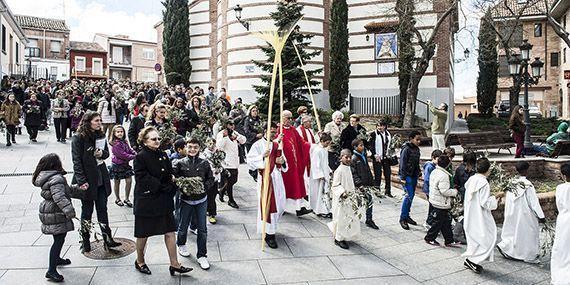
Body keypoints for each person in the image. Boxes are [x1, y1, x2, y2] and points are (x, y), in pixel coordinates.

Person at [133, 126, 193, 276]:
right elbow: (141, 177)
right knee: (143, 234)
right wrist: (161, 186)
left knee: (170, 232)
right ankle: (140, 261)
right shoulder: (140, 157)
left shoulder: (163, 155)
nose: (157, 141)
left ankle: (175, 264)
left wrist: (171, 185)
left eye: (158, 138)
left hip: (163, 200)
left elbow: (169, 172)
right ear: (145, 141)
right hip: (147, 201)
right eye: (153, 139)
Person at [71, 111, 122, 253]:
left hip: (101, 177)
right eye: (96, 120)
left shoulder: (101, 135)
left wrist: (102, 154)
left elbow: (106, 153)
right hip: (87, 179)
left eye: (100, 120)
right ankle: (85, 240)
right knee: (86, 212)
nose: (100, 123)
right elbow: (76, 161)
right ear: (88, 122)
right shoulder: (78, 138)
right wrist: (81, 181)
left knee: (102, 210)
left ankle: (108, 238)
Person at [33, 153, 83, 283]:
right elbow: (59, 197)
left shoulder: (48, 176)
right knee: (58, 240)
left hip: (51, 210)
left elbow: (62, 191)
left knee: (59, 238)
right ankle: (51, 270)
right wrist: (70, 211)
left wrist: (78, 188)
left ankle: (57, 259)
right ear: (55, 164)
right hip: (56, 212)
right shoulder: (57, 178)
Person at [172, 138, 214, 270]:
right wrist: (181, 186)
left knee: (202, 229)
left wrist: (203, 187)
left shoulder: (204, 163)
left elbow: (210, 178)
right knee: (182, 225)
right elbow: (173, 178)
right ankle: (181, 244)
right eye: (190, 147)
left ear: (199, 148)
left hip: (201, 200)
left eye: (195, 147)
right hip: (186, 200)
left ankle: (202, 255)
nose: (192, 149)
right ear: (185, 147)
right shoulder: (180, 163)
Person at [246, 124, 287, 249]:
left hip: (277, 178)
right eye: (271, 131)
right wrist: (262, 156)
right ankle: (269, 234)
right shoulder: (258, 145)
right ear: (264, 131)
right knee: (268, 206)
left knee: (280, 205)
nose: (273, 134)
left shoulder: (277, 144)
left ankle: (272, 227)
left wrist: (282, 162)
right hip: (265, 179)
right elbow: (250, 161)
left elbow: (282, 160)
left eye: (275, 132)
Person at [496, 161, 545, 263]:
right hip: (526, 214)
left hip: (514, 212)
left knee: (514, 232)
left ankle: (509, 249)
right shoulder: (528, 185)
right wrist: (541, 216)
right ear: (526, 171)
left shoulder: (512, 183)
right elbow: (534, 202)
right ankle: (528, 254)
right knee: (528, 233)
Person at [462, 157, 498, 274]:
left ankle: (472, 260)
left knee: (475, 238)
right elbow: (485, 203)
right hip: (480, 216)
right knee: (487, 238)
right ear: (488, 170)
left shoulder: (472, 179)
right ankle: (472, 260)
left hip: (471, 214)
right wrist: (496, 198)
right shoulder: (484, 183)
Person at [278, 110, 312, 216]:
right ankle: (281, 207)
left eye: (291, 118)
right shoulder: (279, 131)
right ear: (282, 118)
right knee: (285, 186)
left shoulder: (293, 130)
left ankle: (299, 208)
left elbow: (301, 142)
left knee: (297, 185)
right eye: (288, 118)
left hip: (295, 164)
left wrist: (312, 145)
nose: (290, 120)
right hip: (286, 165)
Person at [424, 155, 461, 247]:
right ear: (447, 164)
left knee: (446, 222)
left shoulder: (435, 171)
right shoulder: (444, 175)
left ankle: (449, 240)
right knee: (438, 223)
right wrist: (455, 192)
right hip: (441, 202)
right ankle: (429, 238)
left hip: (436, 200)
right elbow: (444, 191)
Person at [328, 149, 361, 249]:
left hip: (350, 198)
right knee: (341, 218)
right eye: (346, 157)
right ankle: (338, 239)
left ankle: (346, 236)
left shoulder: (349, 168)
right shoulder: (339, 170)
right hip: (341, 199)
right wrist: (342, 192)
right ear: (341, 157)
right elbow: (335, 185)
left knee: (349, 217)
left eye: (350, 157)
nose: (348, 159)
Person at [216, 120, 246, 208]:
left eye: (233, 124)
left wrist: (237, 137)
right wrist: (224, 137)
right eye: (230, 124)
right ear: (225, 125)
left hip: (235, 161)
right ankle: (231, 200)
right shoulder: (221, 134)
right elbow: (219, 147)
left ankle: (222, 190)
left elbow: (244, 140)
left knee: (234, 180)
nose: (232, 126)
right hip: (226, 162)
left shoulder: (234, 133)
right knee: (229, 181)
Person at [351, 139, 379, 229]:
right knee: (358, 202)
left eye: (363, 145)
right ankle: (353, 219)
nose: (363, 147)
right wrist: (359, 184)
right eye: (360, 145)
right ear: (355, 147)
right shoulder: (354, 158)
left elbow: (367, 169)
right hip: (360, 185)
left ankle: (369, 219)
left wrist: (371, 181)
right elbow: (353, 173)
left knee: (369, 201)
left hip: (367, 183)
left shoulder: (363, 155)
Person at [551, 163, 570, 285]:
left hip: (564, 219)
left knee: (562, 247)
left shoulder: (560, 188)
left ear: (564, 176)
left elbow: (559, 205)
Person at [399, 130, 422, 230]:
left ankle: (407, 216)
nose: (419, 141)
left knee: (411, 197)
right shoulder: (406, 149)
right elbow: (402, 164)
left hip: (414, 175)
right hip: (407, 176)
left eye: (420, 140)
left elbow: (416, 163)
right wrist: (403, 177)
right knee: (408, 196)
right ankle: (402, 218)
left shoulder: (417, 149)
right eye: (417, 139)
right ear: (411, 139)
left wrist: (419, 172)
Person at [452, 151, 477, 244]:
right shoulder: (461, 169)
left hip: (471, 196)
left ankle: (465, 235)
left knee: (469, 216)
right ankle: (458, 234)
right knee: (464, 215)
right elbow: (455, 183)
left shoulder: (476, 170)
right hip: (464, 196)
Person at [109, 125, 136, 208]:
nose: (120, 133)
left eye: (121, 131)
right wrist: (135, 156)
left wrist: (135, 153)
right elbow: (123, 155)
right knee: (117, 182)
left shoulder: (124, 141)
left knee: (129, 181)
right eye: (118, 132)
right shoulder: (115, 144)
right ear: (114, 133)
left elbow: (129, 150)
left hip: (125, 165)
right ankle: (117, 198)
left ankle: (127, 198)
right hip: (117, 165)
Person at [309, 133, 332, 218]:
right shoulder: (317, 150)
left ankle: (325, 209)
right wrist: (320, 175)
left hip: (325, 172)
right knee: (319, 192)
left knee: (325, 192)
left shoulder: (324, 150)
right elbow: (315, 164)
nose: (328, 145)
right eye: (327, 143)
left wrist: (329, 170)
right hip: (319, 175)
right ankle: (318, 209)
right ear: (322, 141)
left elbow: (325, 163)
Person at [369, 120, 393, 197]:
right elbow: (370, 146)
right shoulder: (373, 134)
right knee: (378, 175)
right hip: (377, 158)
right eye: (378, 125)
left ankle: (388, 191)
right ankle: (377, 191)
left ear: (385, 126)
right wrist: (375, 154)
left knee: (388, 174)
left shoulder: (388, 134)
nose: (379, 127)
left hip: (386, 158)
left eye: (381, 125)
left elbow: (390, 145)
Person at [202, 139, 221, 224]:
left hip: (215, 179)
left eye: (213, 143)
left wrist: (219, 169)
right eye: (209, 143)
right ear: (206, 144)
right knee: (208, 197)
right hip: (207, 179)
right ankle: (210, 212)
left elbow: (222, 164)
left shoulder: (218, 153)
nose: (212, 144)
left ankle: (212, 214)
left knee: (212, 197)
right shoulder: (203, 155)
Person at [423, 149, 443, 230]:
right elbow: (427, 180)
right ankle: (428, 222)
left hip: (432, 190)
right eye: (438, 159)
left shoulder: (434, 166)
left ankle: (430, 222)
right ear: (433, 158)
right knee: (432, 208)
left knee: (432, 207)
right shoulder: (429, 167)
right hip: (429, 190)